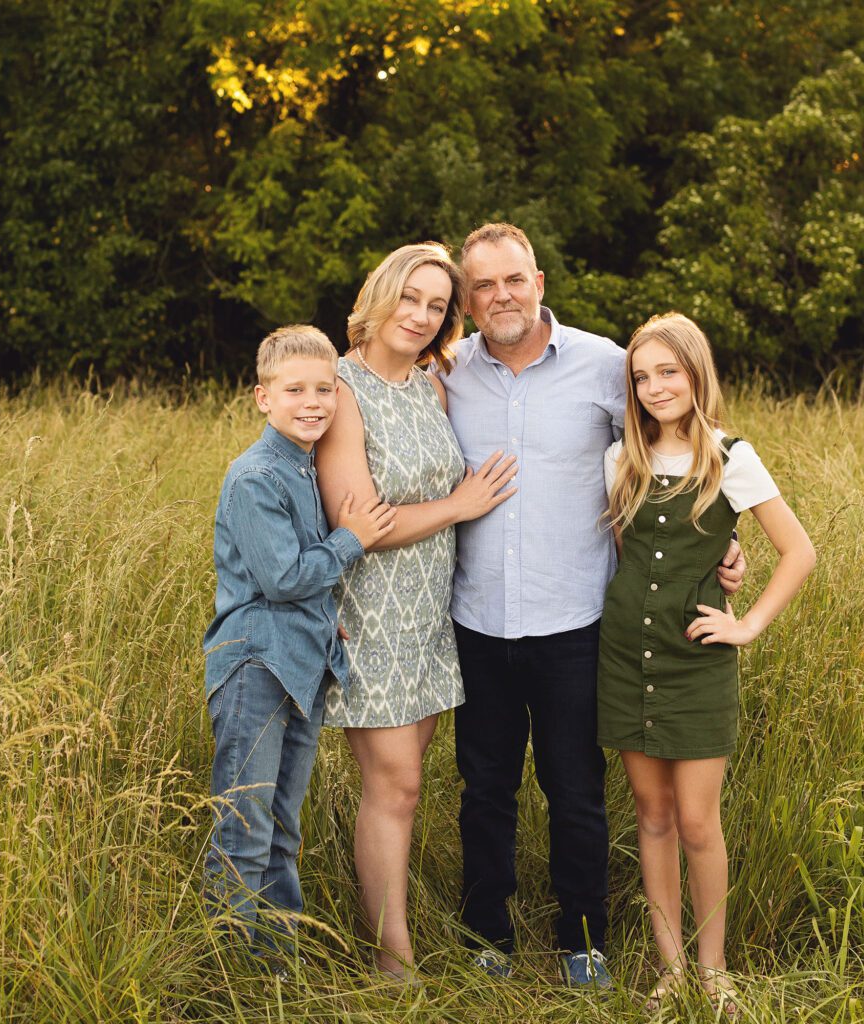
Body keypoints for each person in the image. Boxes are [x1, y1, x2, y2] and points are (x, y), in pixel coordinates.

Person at [439, 224, 747, 988]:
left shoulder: (608, 365)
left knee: (575, 791)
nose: (501, 296)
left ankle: (584, 941)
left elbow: (682, 456)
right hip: (476, 618)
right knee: (485, 789)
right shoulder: (447, 372)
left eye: (514, 279)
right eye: (483, 286)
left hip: (578, 621)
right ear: (468, 298)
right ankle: (489, 937)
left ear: (539, 279)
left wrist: (721, 549)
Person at [598, 313, 816, 1015]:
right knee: (651, 816)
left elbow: (800, 551)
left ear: (696, 374)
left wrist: (746, 622)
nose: (655, 387)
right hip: (627, 657)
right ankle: (670, 970)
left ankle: (714, 968)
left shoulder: (729, 456)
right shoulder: (621, 458)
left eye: (668, 372)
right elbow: (632, 560)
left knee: (697, 821)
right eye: (642, 376)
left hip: (697, 662)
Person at [315, 242, 518, 981]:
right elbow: (356, 524)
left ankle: (394, 933)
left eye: (436, 305)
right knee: (393, 783)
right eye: (411, 297)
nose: (421, 315)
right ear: (382, 293)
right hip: (370, 612)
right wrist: (460, 504)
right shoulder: (340, 388)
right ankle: (391, 961)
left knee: (407, 781)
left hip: (433, 610)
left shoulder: (430, 385)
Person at [203, 325, 396, 964]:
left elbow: (296, 582)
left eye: (324, 389)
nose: (312, 402)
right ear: (263, 398)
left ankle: (274, 961)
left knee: (284, 827)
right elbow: (282, 577)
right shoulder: (256, 475)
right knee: (246, 826)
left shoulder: (306, 469)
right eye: (294, 390)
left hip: (303, 664)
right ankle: (229, 970)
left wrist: (324, 615)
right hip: (257, 666)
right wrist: (353, 539)